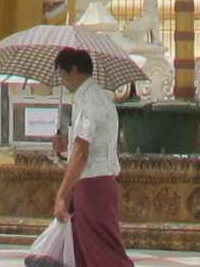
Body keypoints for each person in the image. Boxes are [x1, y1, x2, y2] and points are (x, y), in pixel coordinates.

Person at [53, 48, 132, 267]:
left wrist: (61, 193)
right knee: (85, 248)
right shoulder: (100, 98)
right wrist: (64, 146)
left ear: (74, 70)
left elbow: (81, 153)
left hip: (93, 184)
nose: (63, 81)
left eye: (62, 74)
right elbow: (84, 146)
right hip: (99, 182)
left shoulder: (88, 101)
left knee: (102, 251)